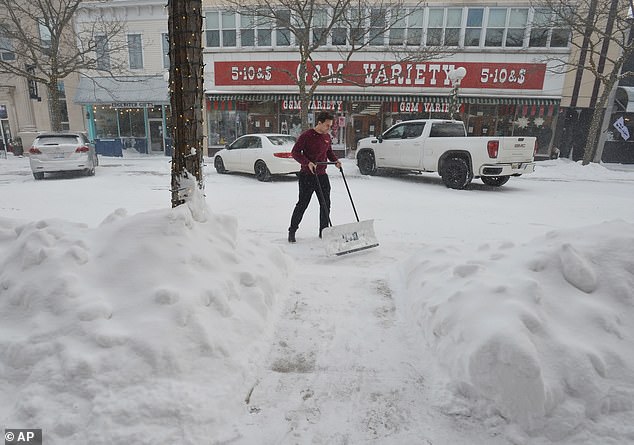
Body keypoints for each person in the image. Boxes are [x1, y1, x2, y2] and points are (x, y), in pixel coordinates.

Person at [288, 111, 341, 243]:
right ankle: (292, 230)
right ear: (319, 123)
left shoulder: (327, 137)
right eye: (327, 125)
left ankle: (324, 231)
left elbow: (328, 152)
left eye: (330, 125)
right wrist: (307, 163)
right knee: (302, 204)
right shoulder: (306, 135)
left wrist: (336, 161)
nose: (329, 128)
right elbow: (295, 152)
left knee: (325, 204)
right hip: (307, 176)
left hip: (322, 175)